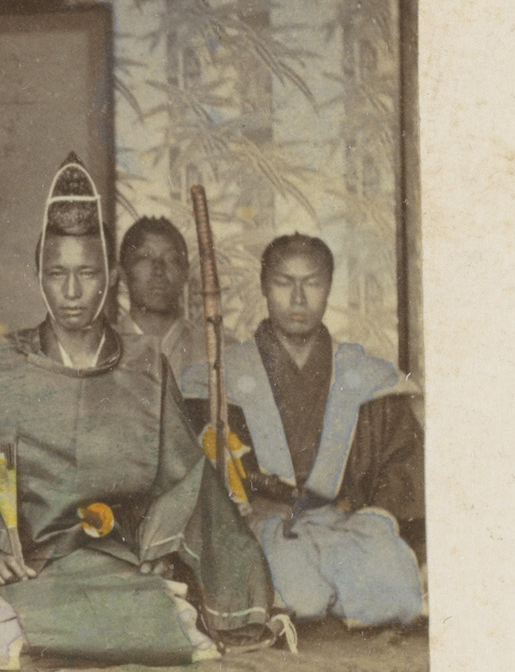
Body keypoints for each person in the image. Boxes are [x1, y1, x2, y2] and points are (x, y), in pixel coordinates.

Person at [0, 154, 283, 668]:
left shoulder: (145, 366)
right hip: (31, 568)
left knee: (161, 631)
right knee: (0, 636)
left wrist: (164, 546)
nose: (73, 292)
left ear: (111, 276)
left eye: (88, 273)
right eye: (58, 274)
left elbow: (187, 478)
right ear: (39, 276)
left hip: (124, 563)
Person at [179, 234, 425, 628]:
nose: (298, 298)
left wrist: (368, 517)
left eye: (311, 283)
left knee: (391, 596)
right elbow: (198, 473)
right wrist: (244, 506)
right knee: (298, 598)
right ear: (264, 286)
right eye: (283, 282)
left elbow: (401, 470)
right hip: (258, 528)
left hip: (347, 527)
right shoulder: (219, 377)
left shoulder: (366, 378)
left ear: (328, 287)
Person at [117, 216, 209, 380]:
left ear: (185, 273)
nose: (158, 270)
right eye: (145, 257)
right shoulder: (101, 348)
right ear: (123, 272)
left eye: (171, 259)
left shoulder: (212, 349)